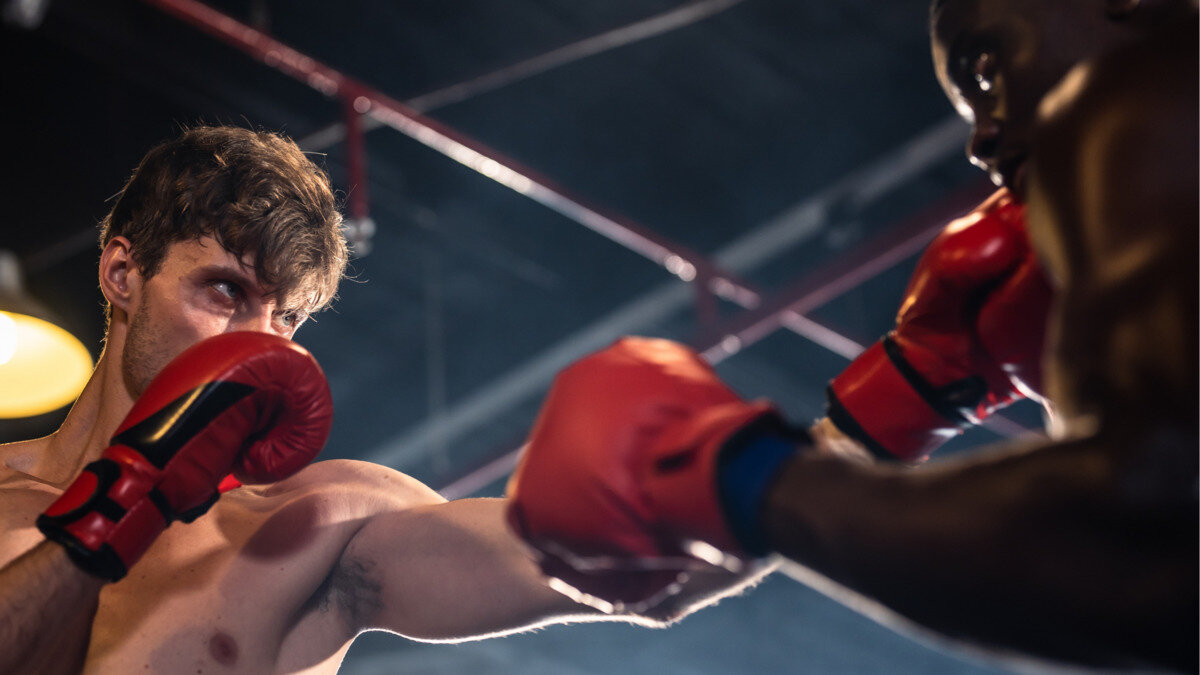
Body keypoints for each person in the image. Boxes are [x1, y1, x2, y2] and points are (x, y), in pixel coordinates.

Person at [505, 0, 1198, 670]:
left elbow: (1152, 548)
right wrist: (911, 390)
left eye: (985, 69)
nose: (981, 136)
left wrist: (748, 480)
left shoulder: (1148, 99)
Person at [0, 126, 760, 674]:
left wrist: (843, 443)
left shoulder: (308, 531)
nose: (261, 344)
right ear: (122, 274)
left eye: (286, 318)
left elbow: (636, 567)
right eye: (226, 291)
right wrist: (123, 503)